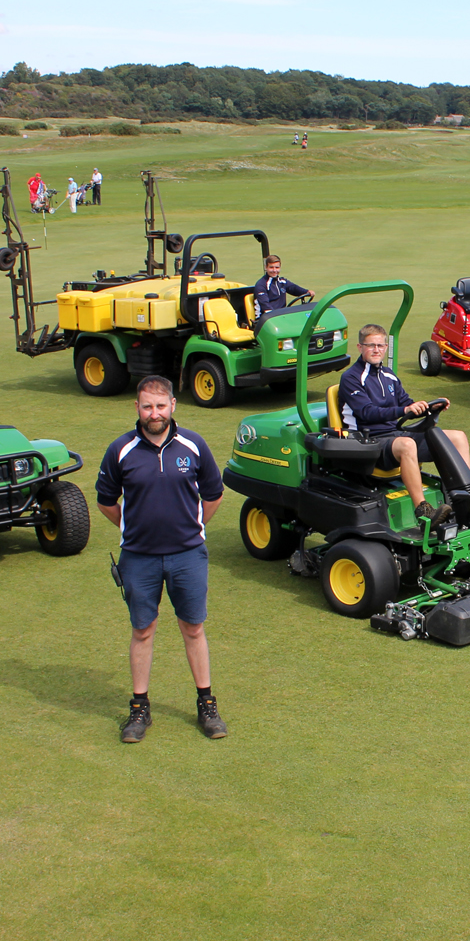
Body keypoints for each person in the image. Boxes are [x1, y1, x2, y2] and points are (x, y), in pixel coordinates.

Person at [94, 376, 228, 744]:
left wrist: (193, 527)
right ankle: (139, 708)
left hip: (188, 555)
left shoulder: (194, 445)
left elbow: (214, 493)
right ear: (137, 408)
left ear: (173, 405)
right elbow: (106, 500)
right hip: (139, 558)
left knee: (194, 628)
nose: (155, 413)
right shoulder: (120, 450)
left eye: (161, 405)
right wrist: (131, 529)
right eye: (147, 406)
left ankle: (206, 704)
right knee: (143, 630)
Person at [338, 324, 470, 528]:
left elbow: (406, 402)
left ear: (386, 347)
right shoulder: (351, 378)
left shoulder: (389, 376)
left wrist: (428, 407)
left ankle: (469, 503)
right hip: (368, 442)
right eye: (371, 345)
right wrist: (404, 410)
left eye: (380, 345)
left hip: (395, 436)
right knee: (407, 444)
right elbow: (367, 412)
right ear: (360, 347)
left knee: (457, 437)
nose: (376, 350)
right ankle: (424, 511)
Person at [250, 254, 316, 320]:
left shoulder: (282, 281)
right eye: (271, 267)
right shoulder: (261, 285)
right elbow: (265, 306)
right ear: (266, 267)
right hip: (265, 319)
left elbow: (293, 288)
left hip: (281, 316)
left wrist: (307, 292)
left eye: (277, 267)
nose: (274, 270)